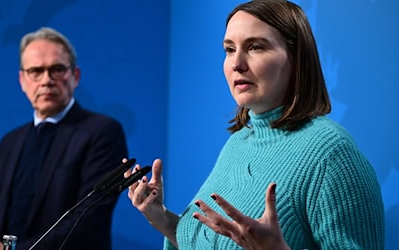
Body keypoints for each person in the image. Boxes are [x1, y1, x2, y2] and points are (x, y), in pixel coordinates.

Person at [126, 0, 385, 249]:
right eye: (229, 49)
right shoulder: (238, 142)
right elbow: (219, 244)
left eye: (256, 47)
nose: (237, 64)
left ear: (296, 58)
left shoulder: (332, 155)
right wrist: (159, 216)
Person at [0, 27, 128, 250]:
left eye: (57, 69)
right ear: (22, 80)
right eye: (35, 71)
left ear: (75, 76)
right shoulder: (10, 142)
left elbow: (85, 222)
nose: (46, 80)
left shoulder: (103, 132)